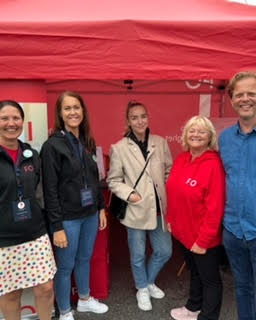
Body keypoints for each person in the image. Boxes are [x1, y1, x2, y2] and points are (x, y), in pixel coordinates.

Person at [40, 91, 108, 320]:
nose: (73, 112)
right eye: (67, 108)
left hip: (89, 214)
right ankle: (65, 311)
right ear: (60, 113)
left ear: (83, 111)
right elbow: (49, 190)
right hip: (67, 218)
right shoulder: (52, 146)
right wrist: (57, 226)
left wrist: (100, 208)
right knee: (66, 265)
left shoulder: (87, 142)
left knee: (84, 258)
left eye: (76, 107)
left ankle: (85, 299)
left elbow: (94, 178)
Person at [107, 100, 173, 311]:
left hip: (159, 209)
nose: (139, 121)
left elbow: (169, 171)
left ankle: (148, 281)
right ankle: (142, 289)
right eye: (134, 117)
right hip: (136, 209)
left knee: (164, 251)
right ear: (128, 120)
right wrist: (130, 193)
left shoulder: (160, 143)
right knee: (138, 254)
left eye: (143, 116)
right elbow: (114, 180)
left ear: (148, 117)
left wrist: (167, 190)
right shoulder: (119, 148)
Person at [0, 100, 56, 320]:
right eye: (5, 118)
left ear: (23, 121)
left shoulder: (31, 155)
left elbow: (41, 192)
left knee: (45, 288)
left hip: (35, 233)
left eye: (16, 118)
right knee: (12, 294)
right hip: (4, 239)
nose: (11, 123)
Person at [166, 115, 225, 320]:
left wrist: (203, 240)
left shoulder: (213, 164)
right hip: (183, 233)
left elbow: (215, 208)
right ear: (185, 135)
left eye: (201, 131)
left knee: (210, 280)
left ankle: (207, 316)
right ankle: (193, 308)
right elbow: (174, 193)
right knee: (196, 272)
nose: (196, 134)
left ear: (210, 136)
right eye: (192, 130)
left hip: (202, 237)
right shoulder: (182, 158)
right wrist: (171, 220)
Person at [219, 71, 256, 320]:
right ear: (232, 100)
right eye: (239, 94)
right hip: (233, 230)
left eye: (251, 93)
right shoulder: (224, 139)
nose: (245, 99)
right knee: (242, 289)